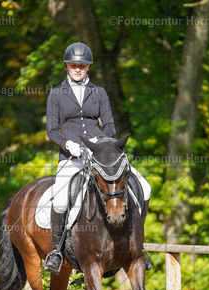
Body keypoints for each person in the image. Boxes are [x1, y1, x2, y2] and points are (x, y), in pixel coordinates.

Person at [44, 42, 151, 274]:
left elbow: (110, 125)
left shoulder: (99, 92)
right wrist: (67, 144)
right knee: (60, 199)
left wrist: (102, 140)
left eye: (82, 66)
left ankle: (138, 244)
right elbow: (51, 130)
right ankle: (56, 251)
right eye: (73, 65)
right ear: (66, 66)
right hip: (71, 156)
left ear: (88, 67)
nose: (78, 69)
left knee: (145, 187)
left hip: (100, 156)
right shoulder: (56, 93)